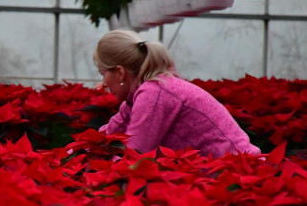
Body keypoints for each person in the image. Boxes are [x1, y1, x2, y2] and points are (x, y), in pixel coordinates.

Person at [94, 29, 260, 157]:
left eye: (103, 74)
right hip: (222, 176)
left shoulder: (154, 93)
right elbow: (109, 134)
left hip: (237, 178)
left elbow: (137, 154)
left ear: (120, 73)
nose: (103, 83)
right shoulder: (140, 94)